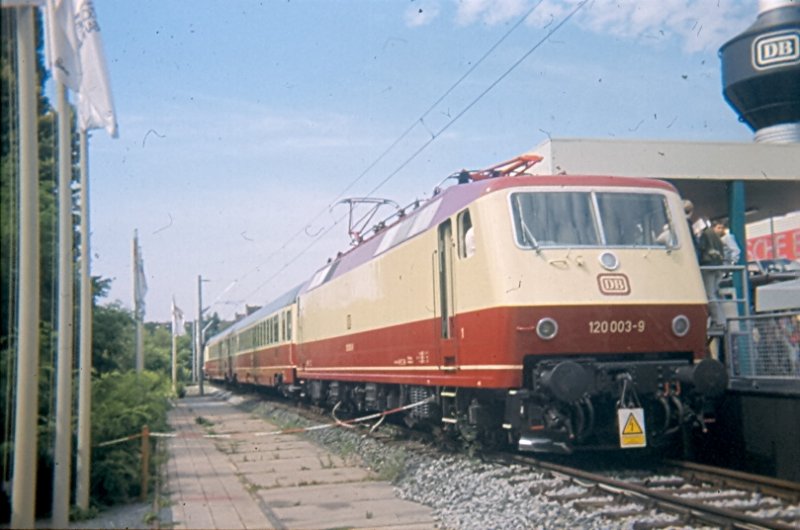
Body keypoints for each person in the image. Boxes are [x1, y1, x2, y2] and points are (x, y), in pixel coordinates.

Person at [698, 220, 726, 329]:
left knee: (709, 294)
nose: (720, 230)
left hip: (708, 266)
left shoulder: (705, 234)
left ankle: (718, 320)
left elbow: (701, 248)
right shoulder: (719, 239)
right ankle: (721, 320)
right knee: (715, 293)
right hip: (718, 267)